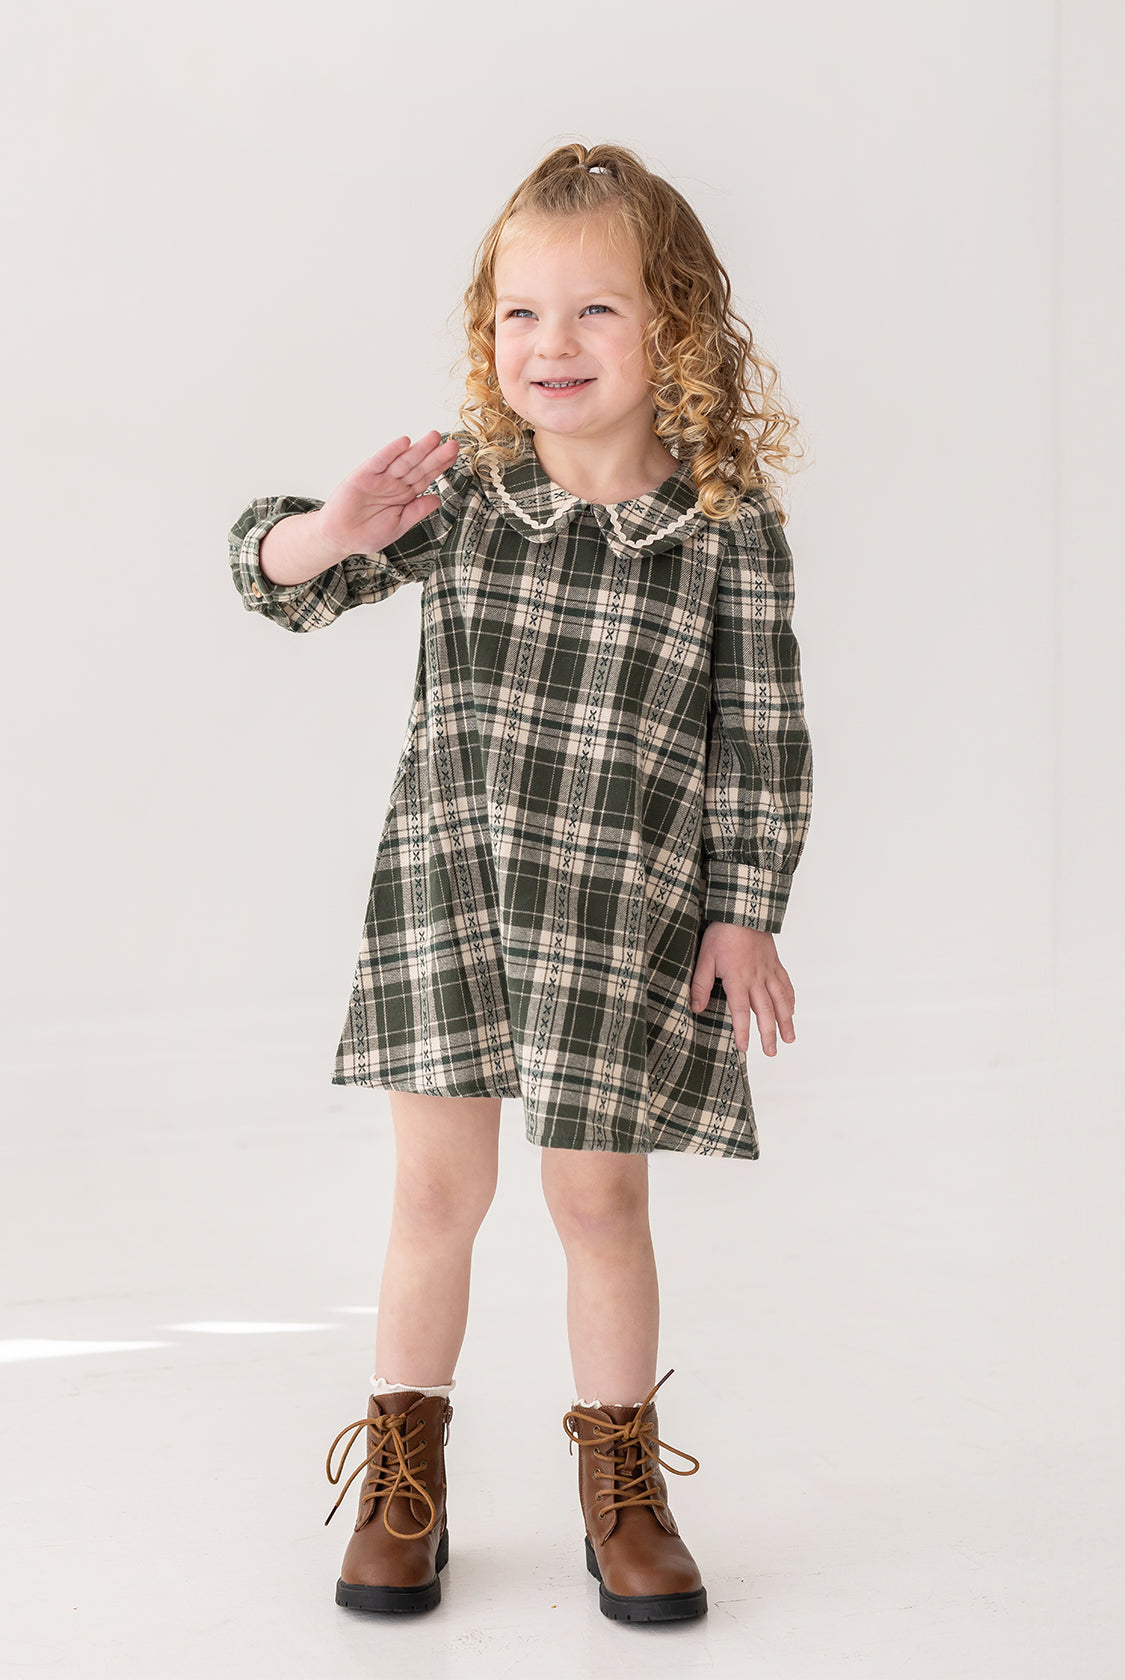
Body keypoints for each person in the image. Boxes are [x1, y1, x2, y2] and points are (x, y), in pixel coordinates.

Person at [227, 140, 814, 1625]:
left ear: (673, 327)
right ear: (487, 337)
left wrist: (744, 907)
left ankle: (622, 1487)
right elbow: (274, 579)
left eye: (595, 312)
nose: (550, 346)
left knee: (598, 1204)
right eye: (518, 316)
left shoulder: (723, 525)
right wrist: (332, 528)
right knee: (436, 1193)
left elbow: (760, 732)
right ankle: (400, 1475)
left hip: (623, 915)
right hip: (455, 898)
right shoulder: (469, 497)